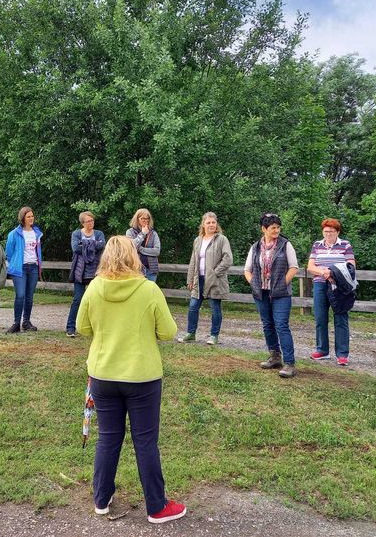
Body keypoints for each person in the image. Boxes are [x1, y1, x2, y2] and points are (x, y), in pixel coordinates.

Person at [76, 236, 186, 524]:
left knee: (108, 438)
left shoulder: (95, 287)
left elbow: (81, 326)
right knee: (145, 440)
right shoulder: (148, 289)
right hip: (142, 377)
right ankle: (157, 505)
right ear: (134, 257)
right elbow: (168, 331)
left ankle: (101, 498)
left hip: (103, 373)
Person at [244, 213, 299, 377]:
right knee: (267, 324)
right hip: (261, 292)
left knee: (281, 325)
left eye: (278, 227)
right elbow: (247, 270)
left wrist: (283, 284)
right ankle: (275, 357)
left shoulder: (285, 245)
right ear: (264, 229)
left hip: (281, 293)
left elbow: (294, 267)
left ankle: (289, 363)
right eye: (273, 227)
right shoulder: (255, 247)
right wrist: (253, 283)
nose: (276, 230)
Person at [306, 218, 356, 366]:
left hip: (339, 286)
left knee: (341, 318)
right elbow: (310, 266)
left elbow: (351, 265)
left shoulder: (345, 245)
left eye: (331, 231)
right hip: (320, 284)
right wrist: (324, 273)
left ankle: (342, 354)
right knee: (320, 318)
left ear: (337, 232)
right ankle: (322, 350)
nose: (328, 234)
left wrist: (332, 272)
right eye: (326, 231)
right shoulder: (317, 245)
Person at [178, 212, 232, 345]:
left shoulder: (221, 239)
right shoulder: (198, 240)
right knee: (193, 307)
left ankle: (214, 335)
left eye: (213, 222)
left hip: (215, 280)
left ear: (216, 224)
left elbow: (228, 258)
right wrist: (190, 279)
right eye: (208, 222)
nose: (211, 225)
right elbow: (193, 261)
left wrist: (215, 272)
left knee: (215, 308)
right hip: (199, 279)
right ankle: (191, 333)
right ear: (203, 224)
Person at [65, 211, 105, 338]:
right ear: (82, 222)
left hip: (96, 271)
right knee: (78, 299)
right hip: (80, 271)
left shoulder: (99, 233)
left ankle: (97, 327)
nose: (90, 223)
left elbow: (102, 245)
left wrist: (85, 244)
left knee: (97, 299)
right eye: (88, 221)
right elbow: (75, 248)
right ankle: (70, 327)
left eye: (92, 220)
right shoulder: (76, 234)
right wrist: (93, 244)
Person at [5, 206, 43, 333]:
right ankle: (16, 323)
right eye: (28, 217)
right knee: (20, 295)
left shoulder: (37, 232)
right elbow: (9, 253)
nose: (31, 218)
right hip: (20, 268)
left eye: (32, 216)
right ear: (23, 218)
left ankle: (26, 322)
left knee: (29, 297)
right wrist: (15, 262)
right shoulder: (14, 234)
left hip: (33, 267)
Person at [126, 208, 161, 282]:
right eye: (143, 218)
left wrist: (141, 249)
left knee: (149, 292)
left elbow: (157, 251)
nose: (146, 221)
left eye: (148, 218)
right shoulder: (130, 232)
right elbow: (131, 248)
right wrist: (142, 234)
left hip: (151, 269)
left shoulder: (153, 234)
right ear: (137, 219)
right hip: (135, 269)